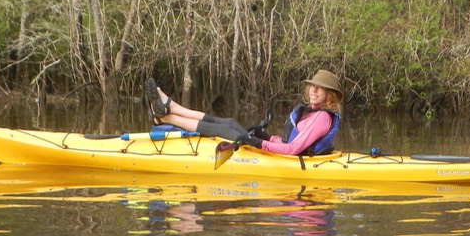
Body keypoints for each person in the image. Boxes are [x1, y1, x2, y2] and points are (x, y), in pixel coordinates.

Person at [145, 69, 343, 156]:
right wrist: (266, 136)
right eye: (312, 87)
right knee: (230, 122)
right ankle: (171, 107)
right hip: (282, 153)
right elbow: (288, 142)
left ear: (330, 95)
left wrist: (257, 142)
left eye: (320, 88)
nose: (313, 90)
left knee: (222, 130)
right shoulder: (313, 112)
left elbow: (292, 150)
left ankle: (165, 116)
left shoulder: (322, 117)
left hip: (288, 159)